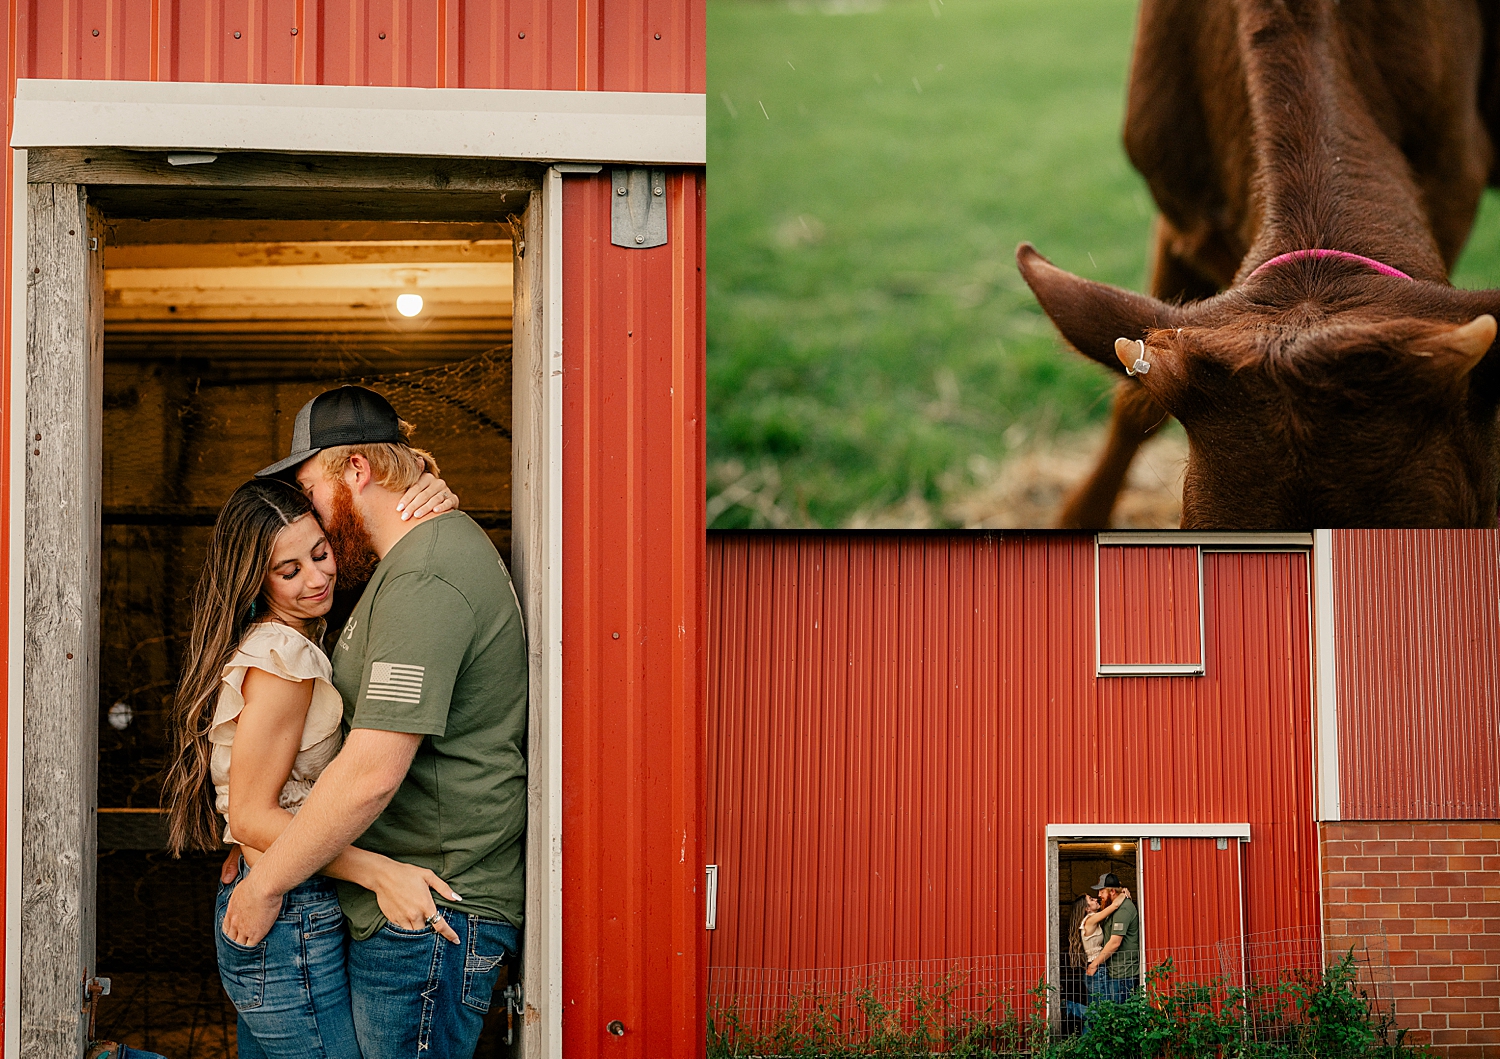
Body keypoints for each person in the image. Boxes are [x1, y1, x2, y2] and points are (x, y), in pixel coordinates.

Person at [221, 385, 529, 1059]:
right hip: (399, 902)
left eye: (311, 488)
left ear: (355, 469)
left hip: (428, 908)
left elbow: (370, 773)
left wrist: (267, 880)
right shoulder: (399, 568)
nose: (312, 516)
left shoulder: (427, 575)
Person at [160, 470, 462, 1058]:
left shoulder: (293, 640)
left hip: (286, 896)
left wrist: (427, 488)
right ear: (255, 579)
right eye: (289, 571)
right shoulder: (284, 657)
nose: (318, 578)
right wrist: (382, 873)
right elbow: (250, 817)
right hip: (287, 911)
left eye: (320, 554)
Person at [1064, 887, 1128, 1022]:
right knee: (1103, 1013)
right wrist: (1123, 894)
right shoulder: (1090, 920)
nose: (1096, 899)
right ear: (1087, 908)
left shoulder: (1091, 921)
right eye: (1091, 900)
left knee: (1098, 1011)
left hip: (1096, 968)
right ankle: (1068, 1007)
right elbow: (1115, 905)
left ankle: (1087, 1041)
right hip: (1096, 969)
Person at [1085, 873, 1141, 1005]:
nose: (1099, 895)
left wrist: (1094, 964)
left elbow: (1115, 943)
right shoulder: (1113, 907)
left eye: (1102, 891)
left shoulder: (1123, 910)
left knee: (1119, 1014)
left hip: (1123, 974)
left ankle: (1068, 1007)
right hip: (1115, 972)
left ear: (1113, 891)